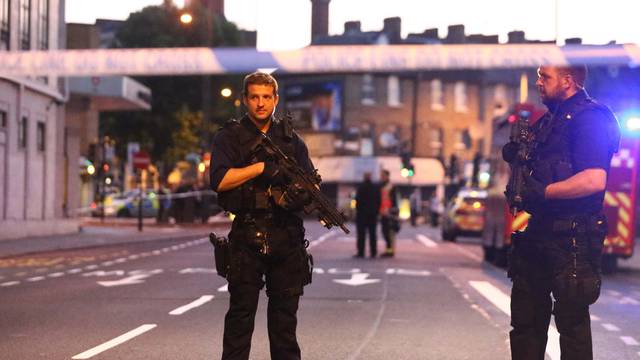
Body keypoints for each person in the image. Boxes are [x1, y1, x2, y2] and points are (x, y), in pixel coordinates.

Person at [504, 65, 620, 360]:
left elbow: (594, 179)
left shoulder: (590, 118)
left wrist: (542, 193)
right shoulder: (549, 121)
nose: (538, 82)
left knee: (571, 325)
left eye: (546, 77)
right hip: (537, 233)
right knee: (526, 323)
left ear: (568, 81)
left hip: (572, 237)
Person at [209, 72, 315, 360]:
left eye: (266, 97)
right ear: (245, 100)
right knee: (240, 319)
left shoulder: (292, 142)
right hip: (247, 236)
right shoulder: (229, 137)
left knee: (284, 325)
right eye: (254, 97)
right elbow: (219, 180)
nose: (260, 103)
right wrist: (258, 169)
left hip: (287, 237)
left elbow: (311, 184)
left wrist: (298, 193)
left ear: (276, 99)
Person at [354, 172, 381, 258]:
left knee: (361, 234)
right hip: (372, 214)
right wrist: (376, 211)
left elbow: (357, 201)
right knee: (373, 234)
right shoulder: (375, 187)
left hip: (362, 214)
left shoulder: (360, 187)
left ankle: (361, 252)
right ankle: (373, 252)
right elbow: (378, 200)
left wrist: (358, 211)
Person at [379, 169, 399, 257]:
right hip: (383, 211)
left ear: (387, 176)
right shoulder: (381, 186)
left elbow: (394, 200)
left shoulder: (392, 186)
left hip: (389, 212)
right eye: (381, 175)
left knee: (390, 232)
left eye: (383, 175)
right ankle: (388, 250)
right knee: (384, 231)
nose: (381, 177)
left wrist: (393, 211)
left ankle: (390, 251)